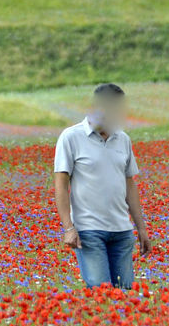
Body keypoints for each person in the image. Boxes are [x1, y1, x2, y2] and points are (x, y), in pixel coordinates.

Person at [53, 83, 152, 289]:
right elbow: (61, 186)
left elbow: (129, 185)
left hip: (122, 230)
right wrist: (68, 228)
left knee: (125, 291)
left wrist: (141, 228)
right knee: (102, 290)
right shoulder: (71, 137)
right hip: (89, 230)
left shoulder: (122, 139)